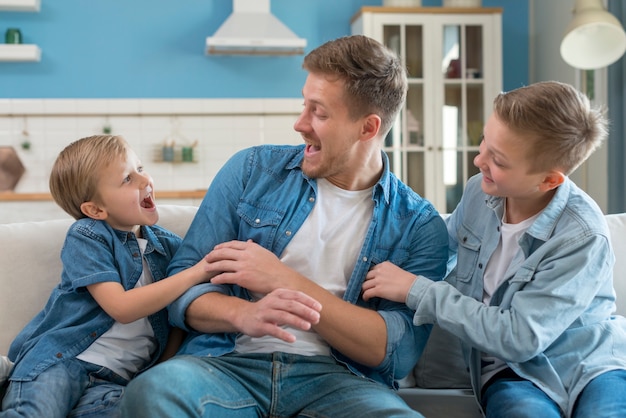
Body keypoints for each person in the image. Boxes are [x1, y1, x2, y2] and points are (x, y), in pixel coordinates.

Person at [120, 35, 449, 418]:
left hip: (339, 382)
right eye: (303, 105)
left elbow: (397, 352)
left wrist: (283, 279)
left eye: (319, 113)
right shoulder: (251, 171)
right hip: (227, 366)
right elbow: (182, 291)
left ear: (367, 127)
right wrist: (242, 315)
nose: (300, 124)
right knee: (153, 393)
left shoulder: (418, 225)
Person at [362, 81, 626, 418]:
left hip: (592, 366)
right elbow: (437, 253)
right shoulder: (478, 193)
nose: (478, 159)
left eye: (498, 159)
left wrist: (418, 291)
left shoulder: (583, 236)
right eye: (486, 141)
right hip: (510, 373)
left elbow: (519, 337)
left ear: (548, 181)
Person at [1, 135, 215, 418]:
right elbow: (121, 307)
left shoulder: (170, 248)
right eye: (127, 179)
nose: (143, 180)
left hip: (117, 380)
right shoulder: (88, 236)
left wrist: (162, 368)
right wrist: (197, 272)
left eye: (139, 168)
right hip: (60, 362)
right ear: (95, 210)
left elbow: (178, 321)